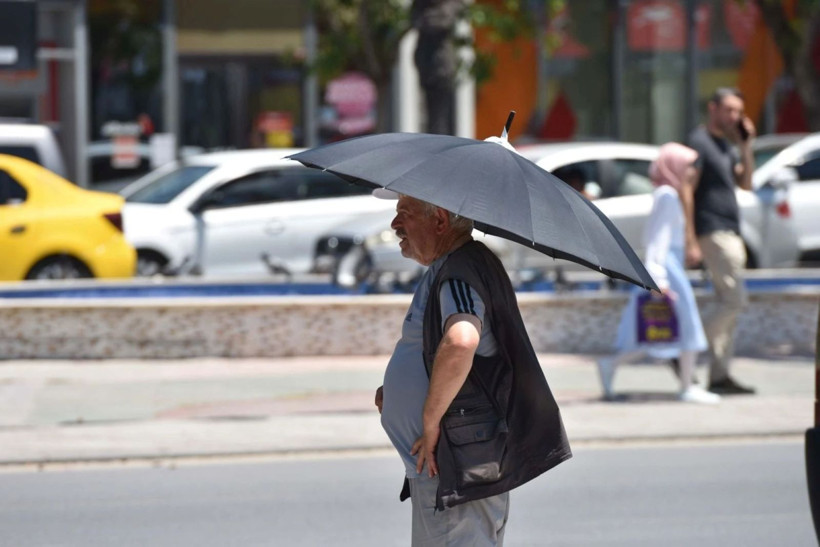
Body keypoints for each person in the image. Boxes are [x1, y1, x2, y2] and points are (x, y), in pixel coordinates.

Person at [374, 192, 571, 546]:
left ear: (440, 220)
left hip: (453, 464)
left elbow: (461, 341)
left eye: (405, 213)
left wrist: (429, 420)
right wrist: (401, 392)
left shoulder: (460, 271)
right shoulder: (454, 265)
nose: (395, 224)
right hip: (447, 466)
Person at [596, 143, 721, 404]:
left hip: (668, 268)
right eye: (688, 166)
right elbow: (656, 240)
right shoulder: (668, 196)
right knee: (673, 328)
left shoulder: (670, 194)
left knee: (667, 331)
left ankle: (685, 385)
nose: (693, 172)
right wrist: (659, 279)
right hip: (667, 270)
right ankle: (686, 386)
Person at [682, 87, 756, 395]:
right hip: (713, 230)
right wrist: (690, 239)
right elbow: (686, 189)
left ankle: (719, 375)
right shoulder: (699, 141)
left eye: (738, 111)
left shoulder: (727, 146)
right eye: (729, 110)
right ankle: (684, 347)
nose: (734, 116)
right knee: (734, 301)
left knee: (728, 305)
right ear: (712, 108)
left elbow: (746, 183)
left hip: (730, 229)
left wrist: (745, 145)